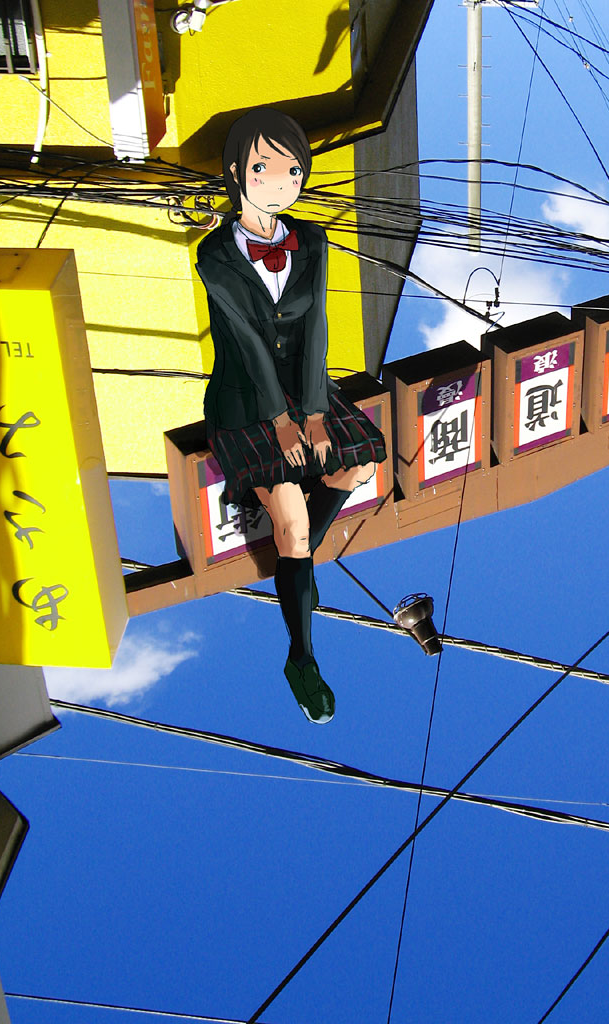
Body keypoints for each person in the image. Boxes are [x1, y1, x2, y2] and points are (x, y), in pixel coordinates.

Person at [196, 107, 386, 724]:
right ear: (236, 173)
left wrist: (313, 410)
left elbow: (317, 324)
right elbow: (246, 338)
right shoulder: (215, 253)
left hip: (304, 390)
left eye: (292, 170)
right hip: (245, 398)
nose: (280, 182)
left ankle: (293, 553)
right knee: (297, 528)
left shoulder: (312, 240)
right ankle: (301, 656)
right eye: (263, 167)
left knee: (357, 467)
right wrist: (282, 419)